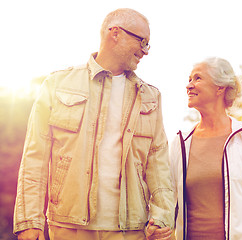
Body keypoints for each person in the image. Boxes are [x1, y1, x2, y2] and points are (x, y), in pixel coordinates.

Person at [13, 8, 174, 240]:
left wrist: (162, 216)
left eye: (148, 45)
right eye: (143, 42)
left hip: (131, 230)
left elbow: (158, 162)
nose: (145, 51)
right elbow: (34, 157)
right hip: (68, 227)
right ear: (115, 33)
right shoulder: (57, 84)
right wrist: (30, 220)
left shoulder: (150, 97)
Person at [170, 57, 242, 239]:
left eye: (197, 78)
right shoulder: (180, 143)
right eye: (189, 79)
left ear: (220, 87)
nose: (189, 85)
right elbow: (167, 201)